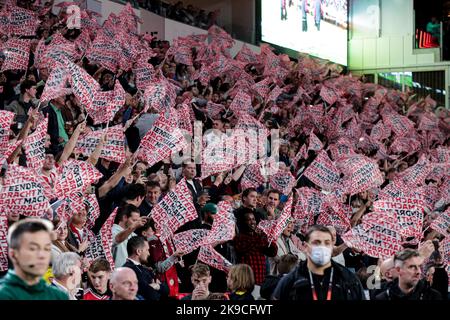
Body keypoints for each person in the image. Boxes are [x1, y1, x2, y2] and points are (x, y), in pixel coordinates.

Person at [272, 225, 366, 300]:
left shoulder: (349, 278)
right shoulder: (291, 279)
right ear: (307, 246)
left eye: (327, 243)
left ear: (332, 246)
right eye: (316, 242)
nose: (322, 247)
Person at [0, 219, 68, 300]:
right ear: (14, 254)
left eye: (47, 249)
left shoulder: (59, 295)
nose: (42, 255)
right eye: (33, 248)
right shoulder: (4, 295)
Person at [375, 249, 442, 300]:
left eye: (420, 266)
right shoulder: (382, 297)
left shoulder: (434, 296)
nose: (419, 272)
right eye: (412, 267)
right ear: (398, 270)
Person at [234, 212, 277, 287]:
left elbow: (272, 253)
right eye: (249, 220)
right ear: (244, 222)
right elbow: (244, 249)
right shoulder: (239, 237)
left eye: (253, 219)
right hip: (246, 279)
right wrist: (259, 237)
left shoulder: (261, 236)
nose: (252, 222)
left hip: (260, 278)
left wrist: (271, 238)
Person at [123, 236, 169, 300]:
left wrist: (157, 286)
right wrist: (156, 288)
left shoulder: (145, 269)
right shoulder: (128, 271)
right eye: (147, 250)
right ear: (138, 251)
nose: (149, 253)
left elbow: (167, 289)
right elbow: (152, 296)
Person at [112, 204, 147, 268]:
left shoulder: (134, 235)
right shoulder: (112, 231)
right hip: (116, 275)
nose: (137, 223)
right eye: (134, 220)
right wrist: (133, 226)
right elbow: (118, 239)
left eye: (137, 221)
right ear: (125, 217)